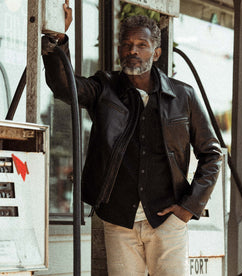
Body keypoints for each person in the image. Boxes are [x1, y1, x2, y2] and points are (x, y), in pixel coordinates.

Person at [42, 1, 222, 275]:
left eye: (142, 44)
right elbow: (65, 87)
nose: (133, 50)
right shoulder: (105, 87)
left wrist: (188, 208)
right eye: (127, 44)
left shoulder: (183, 96)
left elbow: (212, 154)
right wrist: (58, 40)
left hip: (167, 221)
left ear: (157, 52)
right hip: (119, 220)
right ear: (118, 50)